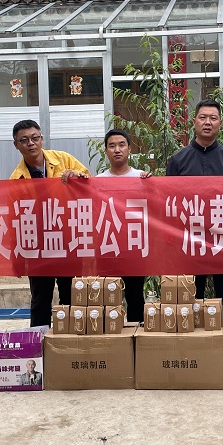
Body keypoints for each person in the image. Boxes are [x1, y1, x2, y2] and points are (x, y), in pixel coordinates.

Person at [9, 119, 90, 329]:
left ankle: (72, 340)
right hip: (38, 247)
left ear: (42, 139)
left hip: (67, 241)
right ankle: (38, 343)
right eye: (24, 140)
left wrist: (77, 177)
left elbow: (90, 183)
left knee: (71, 296)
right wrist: (17, 258)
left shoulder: (63, 159)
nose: (31, 143)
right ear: (16, 145)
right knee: (40, 299)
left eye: (34, 138)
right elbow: (15, 221)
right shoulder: (16, 180)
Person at [167, 99, 223, 314]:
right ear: (194, 122)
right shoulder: (178, 160)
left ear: (220, 124)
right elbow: (168, 200)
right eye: (203, 117)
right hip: (189, 238)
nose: (207, 122)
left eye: (213, 118)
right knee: (191, 293)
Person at [97, 128, 151, 322]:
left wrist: (151, 185)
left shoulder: (142, 178)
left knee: (135, 295)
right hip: (108, 245)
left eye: (121, 145)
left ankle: (136, 333)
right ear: (106, 151)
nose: (117, 150)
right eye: (112, 146)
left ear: (129, 149)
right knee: (109, 296)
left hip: (133, 246)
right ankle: (111, 333)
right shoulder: (97, 182)